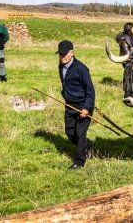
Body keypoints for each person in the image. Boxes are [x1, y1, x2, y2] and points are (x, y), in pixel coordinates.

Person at [57, 40, 95, 170]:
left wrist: (86, 108)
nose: (62, 57)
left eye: (64, 54)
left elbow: (90, 91)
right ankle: (88, 145)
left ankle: (79, 161)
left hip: (83, 106)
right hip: (70, 105)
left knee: (80, 134)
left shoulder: (81, 69)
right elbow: (64, 84)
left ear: (72, 53)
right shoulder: (61, 66)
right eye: (60, 55)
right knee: (69, 132)